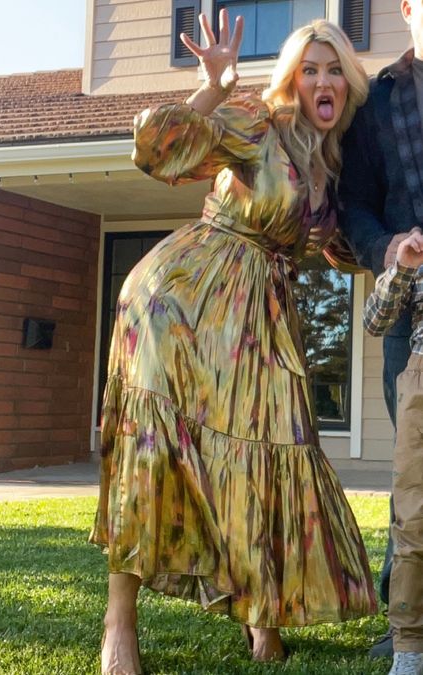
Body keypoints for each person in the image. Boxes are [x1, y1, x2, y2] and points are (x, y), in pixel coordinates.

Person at [90, 11, 377, 675]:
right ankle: (119, 624)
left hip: (259, 320)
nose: (324, 79)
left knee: (274, 451)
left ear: (350, 84)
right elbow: (158, 148)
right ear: (293, 80)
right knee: (154, 452)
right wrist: (214, 86)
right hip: (180, 298)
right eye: (312, 69)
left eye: (336, 68)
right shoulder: (259, 123)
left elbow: (344, 248)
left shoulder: (335, 167)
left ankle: (261, 615)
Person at [338, 0, 423, 658]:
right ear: (406, 9)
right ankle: (405, 620)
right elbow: (355, 207)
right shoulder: (377, 102)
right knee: (412, 466)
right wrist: (389, 244)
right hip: (412, 314)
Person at [363, 227, 423, 675]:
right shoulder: (417, 247)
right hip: (421, 385)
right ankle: (409, 648)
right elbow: (375, 321)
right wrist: (402, 265)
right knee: (413, 518)